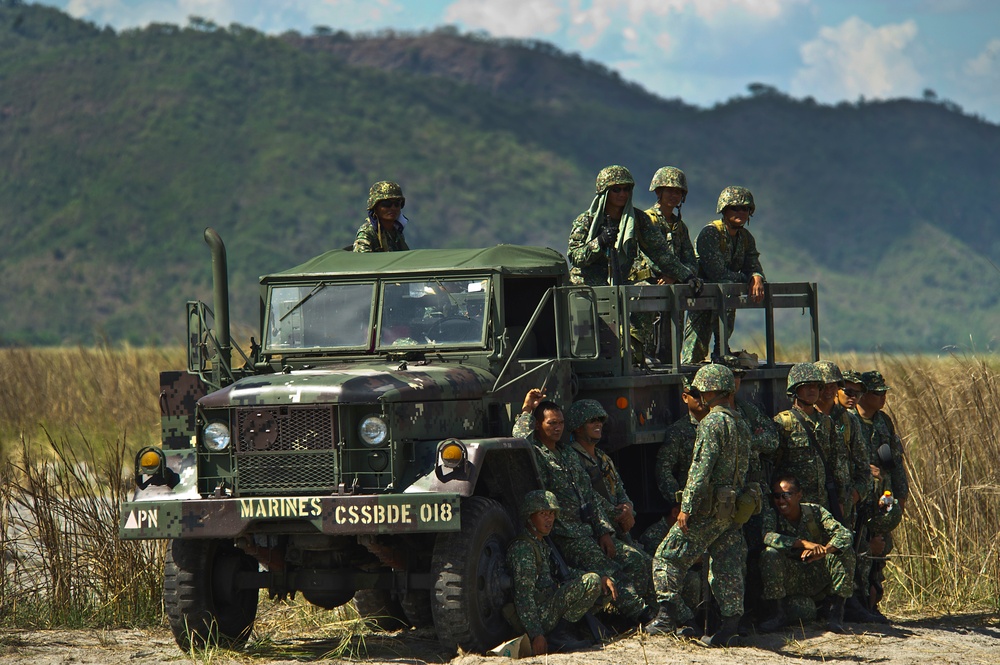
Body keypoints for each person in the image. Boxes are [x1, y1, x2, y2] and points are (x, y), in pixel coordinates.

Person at [514, 390, 654, 626]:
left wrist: (603, 531)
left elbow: (589, 496)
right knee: (610, 570)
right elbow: (520, 440)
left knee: (633, 559)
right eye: (551, 423)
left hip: (587, 530)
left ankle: (636, 611)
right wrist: (527, 409)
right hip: (564, 534)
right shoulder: (536, 454)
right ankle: (642, 616)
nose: (557, 428)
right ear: (538, 425)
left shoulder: (568, 454)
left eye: (561, 423)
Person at [645, 364, 752, 647]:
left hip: (707, 510)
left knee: (667, 556)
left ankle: (666, 617)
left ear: (712, 392)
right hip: (732, 509)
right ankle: (730, 628)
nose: (700, 395)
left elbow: (700, 469)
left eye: (703, 390)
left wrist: (686, 507)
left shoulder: (711, 423)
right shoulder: (740, 422)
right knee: (727, 566)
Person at [506, 490, 615, 654]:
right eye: (543, 514)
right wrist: (536, 634)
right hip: (538, 615)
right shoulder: (524, 548)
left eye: (551, 514)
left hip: (548, 606)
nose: (549, 519)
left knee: (600, 585)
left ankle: (571, 631)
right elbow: (524, 596)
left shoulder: (541, 544)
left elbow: (562, 572)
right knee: (591, 581)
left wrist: (602, 578)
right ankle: (559, 636)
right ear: (530, 516)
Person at [567, 165, 702, 289]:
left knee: (647, 294)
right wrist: (600, 241)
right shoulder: (586, 220)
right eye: (616, 190)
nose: (622, 194)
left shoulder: (638, 219)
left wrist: (686, 276)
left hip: (620, 283)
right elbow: (574, 256)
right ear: (605, 192)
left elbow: (660, 253)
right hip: (586, 287)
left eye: (626, 189)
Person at [757, 474, 855, 634]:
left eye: (786, 495)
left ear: (799, 495)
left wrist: (824, 550)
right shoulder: (772, 514)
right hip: (790, 579)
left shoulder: (815, 511)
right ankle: (777, 614)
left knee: (845, 551)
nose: (781, 501)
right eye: (777, 496)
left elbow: (845, 535)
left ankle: (835, 614)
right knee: (770, 554)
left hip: (815, 572)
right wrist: (804, 544)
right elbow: (767, 536)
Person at [681, 186, 765, 364]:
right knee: (694, 350)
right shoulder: (710, 234)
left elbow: (753, 263)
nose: (741, 212)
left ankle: (721, 348)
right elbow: (718, 273)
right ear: (724, 210)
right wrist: (746, 278)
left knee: (721, 349)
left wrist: (756, 276)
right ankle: (687, 387)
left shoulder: (746, 238)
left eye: (745, 209)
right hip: (701, 298)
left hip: (724, 299)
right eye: (735, 208)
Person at [852, 370, 908, 623]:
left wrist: (901, 495)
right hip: (859, 496)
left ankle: (874, 603)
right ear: (863, 395)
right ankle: (859, 603)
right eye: (877, 393)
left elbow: (895, 461)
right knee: (860, 545)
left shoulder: (884, 422)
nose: (883, 397)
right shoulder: (849, 420)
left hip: (883, 495)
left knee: (882, 543)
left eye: (884, 393)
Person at [631, 167, 700, 361]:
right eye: (669, 190)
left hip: (674, 290)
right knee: (648, 345)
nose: (673, 195)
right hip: (651, 288)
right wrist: (670, 275)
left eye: (678, 191)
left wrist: (677, 276)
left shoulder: (680, 227)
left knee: (671, 349)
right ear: (658, 191)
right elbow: (649, 257)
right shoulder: (647, 221)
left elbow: (690, 261)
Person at [772, 363, 851, 522]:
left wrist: (841, 500)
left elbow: (838, 464)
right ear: (795, 390)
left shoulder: (827, 423)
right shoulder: (783, 423)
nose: (813, 390)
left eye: (816, 386)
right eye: (806, 386)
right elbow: (773, 465)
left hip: (824, 505)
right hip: (794, 508)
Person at [639, 379, 708, 555]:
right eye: (695, 395)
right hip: (692, 507)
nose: (701, 399)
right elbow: (663, 468)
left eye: (704, 394)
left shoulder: (721, 424)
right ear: (685, 397)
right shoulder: (679, 431)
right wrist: (680, 500)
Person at [815, 361, 872, 525]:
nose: (828, 391)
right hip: (808, 510)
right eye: (823, 386)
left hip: (841, 510)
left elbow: (864, 469)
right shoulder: (803, 419)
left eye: (833, 386)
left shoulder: (848, 421)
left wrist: (852, 497)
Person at [353, 181, 410, 252]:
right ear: (375, 207)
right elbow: (362, 260)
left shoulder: (397, 233)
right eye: (386, 204)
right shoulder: (368, 232)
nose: (393, 208)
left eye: (397, 204)